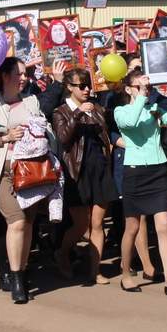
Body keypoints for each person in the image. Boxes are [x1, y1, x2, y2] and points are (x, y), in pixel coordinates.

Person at [0, 57, 63, 304]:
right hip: (3, 172)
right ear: (5, 76)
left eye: (26, 73)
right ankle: (15, 279)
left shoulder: (32, 101)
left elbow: (44, 127)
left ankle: (21, 270)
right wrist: (4, 138)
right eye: (19, 73)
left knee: (27, 223)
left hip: (31, 172)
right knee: (15, 221)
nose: (24, 77)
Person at [113, 70, 167, 295]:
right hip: (135, 172)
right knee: (133, 227)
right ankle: (126, 273)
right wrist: (143, 97)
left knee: (164, 224)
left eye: (145, 86)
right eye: (138, 87)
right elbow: (130, 122)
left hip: (158, 170)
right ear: (128, 90)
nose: (144, 90)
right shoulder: (122, 110)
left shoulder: (152, 109)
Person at [52, 68, 118, 285]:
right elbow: (63, 139)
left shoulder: (97, 108)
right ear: (69, 87)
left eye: (88, 85)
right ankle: (62, 253)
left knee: (98, 224)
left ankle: (95, 270)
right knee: (81, 226)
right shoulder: (61, 112)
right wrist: (78, 113)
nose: (87, 89)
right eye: (82, 86)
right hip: (76, 172)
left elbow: (105, 133)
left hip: (99, 169)